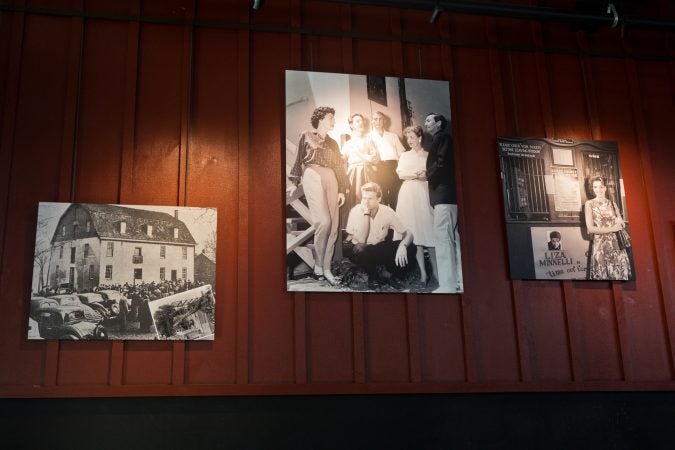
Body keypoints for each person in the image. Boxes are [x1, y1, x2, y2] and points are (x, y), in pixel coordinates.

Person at [288, 106, 348, 285]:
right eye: (331, 117)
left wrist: (342, 190)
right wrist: (294, 182)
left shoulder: (333, 142)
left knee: (334, 226)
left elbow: (339, 167)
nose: (334, 121)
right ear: (320, 118)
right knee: (324, 222)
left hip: (332, 178)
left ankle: (325, 268)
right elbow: (298, 159)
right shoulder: (306, 135)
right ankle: (318, 266)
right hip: (312, 175)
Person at [345, 182, 417, 287]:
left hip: (378, 249)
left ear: (378, 199)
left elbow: (408, 233)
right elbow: (362, 240)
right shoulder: (355, 211)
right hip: (360, 251)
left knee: (411, 247)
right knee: (361, 249)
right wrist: (366, 214)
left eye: (370, 198)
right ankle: (373, 276)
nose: (366, 202)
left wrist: (403, 246)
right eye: (364, 198)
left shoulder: (387, 211)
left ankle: (390, 275)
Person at [425, 112, 462, 293]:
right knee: (452, 239)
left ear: (439, 123)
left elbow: (441, 163)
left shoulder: (443, 138)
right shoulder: (440, 139)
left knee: (443, 239)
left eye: (429, 120)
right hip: (447, 197)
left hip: (444, 196)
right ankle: (457, 282)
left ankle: (447, 285)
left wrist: (426, 175)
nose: (426, 123)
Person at [395, 125, 437, 284]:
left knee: (429, 231)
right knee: (415, 233)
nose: (409, 141)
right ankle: (423, 274)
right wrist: (414, 174)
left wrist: (424, 176)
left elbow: (432, 174)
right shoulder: (405, 156)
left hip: (424, 193)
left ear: (419, 138)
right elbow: (400, 174)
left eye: (412, 137)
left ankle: (437, 272)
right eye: (407, 138)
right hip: (408, 194)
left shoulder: (428, 155)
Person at [584, 176, 631, 280]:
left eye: (601, 187)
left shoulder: (612, 204)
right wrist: (612, 229)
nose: (598, 190)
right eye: (595, 187)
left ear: (605, 188)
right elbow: (590, 229)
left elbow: (621, 224)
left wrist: (620, 222)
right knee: (603, 278)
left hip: (616, 245)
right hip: (600, 246)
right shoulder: (589, 204)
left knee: (619, 276)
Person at [341, 113, 379, 221]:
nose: (361, 123)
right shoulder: (348, 144)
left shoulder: (369, 140)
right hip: (353, 174)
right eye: (357, 121)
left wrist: (361, 156)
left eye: (362, 121)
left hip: (368, 173)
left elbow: (375, 158)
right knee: (355, 198)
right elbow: (341, 160)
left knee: (371, 198)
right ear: (351, 125)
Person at [369, 111, 406, 208]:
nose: (378, 121)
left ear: (384, 121)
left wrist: (401, 168)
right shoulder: (369, 137)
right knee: (381, 195)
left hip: (393, 167)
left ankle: (395, 216)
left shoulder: (393, 136)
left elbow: (402, 154)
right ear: (372, 121)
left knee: (395, 193)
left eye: (380, 119)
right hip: (378, 168)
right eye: (375, 119)